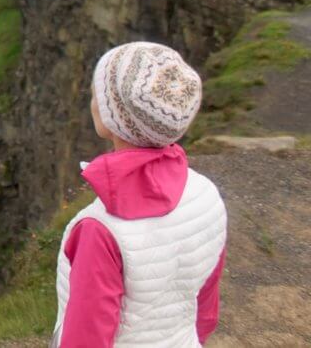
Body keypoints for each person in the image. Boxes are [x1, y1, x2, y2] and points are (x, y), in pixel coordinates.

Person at [51, 42, 227, 348]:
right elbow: (205, 310)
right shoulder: (206, 195)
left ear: (114, 117)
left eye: (98, 93)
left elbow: (85, 340)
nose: (92, 99)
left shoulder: (99, 229)